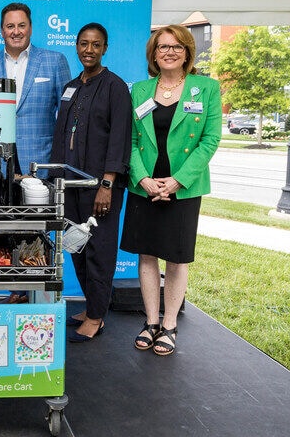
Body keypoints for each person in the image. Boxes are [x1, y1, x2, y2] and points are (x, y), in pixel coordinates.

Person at [120, 24, 222, 356]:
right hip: (145, 186)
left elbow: (210, 140)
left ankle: (170, 325)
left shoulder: (206, 88)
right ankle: (151, 322)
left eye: (177, 46)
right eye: (163, 46)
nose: (169, 52)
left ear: (188, 52)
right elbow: (131, 141)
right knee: (147, 255)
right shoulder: (140, 90)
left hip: (184, 186)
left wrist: (177, 180)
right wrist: (143, 179)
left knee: (177, 258)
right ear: (153, 53)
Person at [0, 2, 70, 304]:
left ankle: (36, 295)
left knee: (36, 230)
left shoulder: (54, 61)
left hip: (37, 162)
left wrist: (57, 162)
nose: (16, 31)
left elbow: (65, 117)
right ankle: (16, 289)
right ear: (1, 30)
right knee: (2, 226)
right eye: (10, 26)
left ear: (30, 27)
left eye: (21, 25)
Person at [48, 23, 131, 342]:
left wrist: (108, 184)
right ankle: (90, 305)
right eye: (83, 44)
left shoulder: (115, 87)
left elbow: (120, 138)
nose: (89, 50)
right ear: (76, 46)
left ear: (105, 48)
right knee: (76, 246)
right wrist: (55, 179)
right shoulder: (71, 86)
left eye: (96, 45)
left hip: (100, 187)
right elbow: (61, 135)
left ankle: (97, 317)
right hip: (70, 185)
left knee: (99, 249)